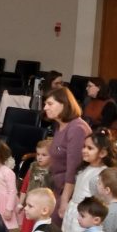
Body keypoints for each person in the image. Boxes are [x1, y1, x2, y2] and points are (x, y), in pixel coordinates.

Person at [43, 87, 92, 224]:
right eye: (45, 104)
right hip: (57, 186)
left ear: (64, 104)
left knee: (54, 230)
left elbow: (73, 169)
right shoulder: (60, 125)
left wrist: (64, 201)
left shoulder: (77, 128)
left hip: (71, 192)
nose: (45, 107)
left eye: (50, 104)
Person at [17, 138, 53, 232]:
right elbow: (24, 187)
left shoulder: (53, 171)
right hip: (31, 206)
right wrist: (20, 203)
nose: (40, 157)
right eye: (38, 154)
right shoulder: (33, 168)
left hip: (43, 210)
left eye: (44, 155)